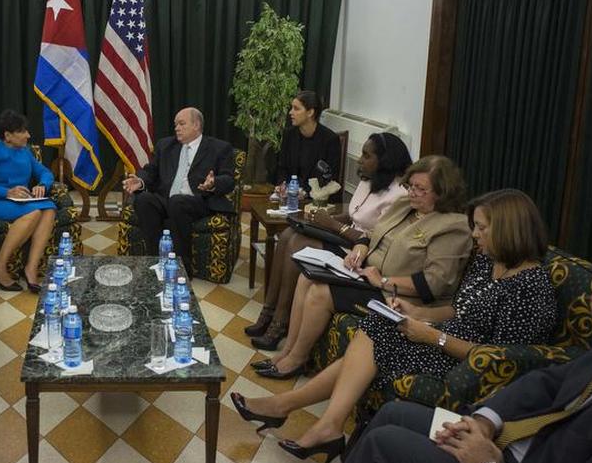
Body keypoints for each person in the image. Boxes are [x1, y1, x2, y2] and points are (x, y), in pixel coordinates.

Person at [234, 189, 559, 461]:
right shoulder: (490, 261)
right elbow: (459, 310)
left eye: (483, 228)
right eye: (475, 227)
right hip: (443, 336)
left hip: (467, 366)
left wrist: (433, 337)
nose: (475, 235)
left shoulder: (532, 289)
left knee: (374, 339)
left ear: (509, 229)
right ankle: (311, 420)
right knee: (379, 325)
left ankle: (300, 414)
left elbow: (500, 359)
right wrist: (419, 313)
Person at [343, 239, 592, 463]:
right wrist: (485, 422)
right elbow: (547, 382)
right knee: (394, 413)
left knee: (384, 443)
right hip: (504, 438)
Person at [252, 155, 472, 378]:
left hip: (397, 295)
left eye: (420, 189)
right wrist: (359, 251)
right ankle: (286, 351)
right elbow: (371, 235)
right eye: (411, 186)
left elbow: (433, 284)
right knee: (307, 276)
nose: (412, 192)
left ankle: (298, 359)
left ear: (442, 192)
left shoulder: (452, 227)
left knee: (319, 292)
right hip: (367, 274)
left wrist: (384, 281)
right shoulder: (405, 206)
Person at [248, 132, 411, 350]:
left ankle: (279, 324)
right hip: (345, 237)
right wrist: (322, 219)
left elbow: (376, 239)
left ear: (385, 160)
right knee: (288, 235)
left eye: (366, 155)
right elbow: (355, 215)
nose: (360, 160)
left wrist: (332, 225)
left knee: (297, 243)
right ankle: (268, 312)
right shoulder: (369, 180)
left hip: (361, 254)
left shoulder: (399, 195)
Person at [121, 107, 236, 275]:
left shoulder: (219, 148)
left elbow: (229, 179)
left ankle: (182, 267)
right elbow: (150, 170)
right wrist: (140, 181)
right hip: (166, 198)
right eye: (175, 124)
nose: (176, 128)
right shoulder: (166, 145)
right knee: (144, 200)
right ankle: (157, 260)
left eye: (182, 124)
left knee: (178, 201)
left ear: (196, 125)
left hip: (198, 200)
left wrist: (213, 183)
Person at [0, 109, 57, 292]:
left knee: (49, 209)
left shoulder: (25, 152)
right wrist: (7, 192)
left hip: (22, 201)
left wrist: (43, 184)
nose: (28, 135)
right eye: (22, 131)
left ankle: (31, 269)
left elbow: (45, 172)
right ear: (8, 136)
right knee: (34, 213)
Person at [271, 90, 343, 204]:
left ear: (310, 112)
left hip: (317, 200)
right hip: (290, 196)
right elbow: (282, 167)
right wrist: (282, 185)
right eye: (291, 108)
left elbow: (329, 178)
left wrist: (304, 192)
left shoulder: (330, 140)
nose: (290, 112)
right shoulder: (289, 135)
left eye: (296, 108)